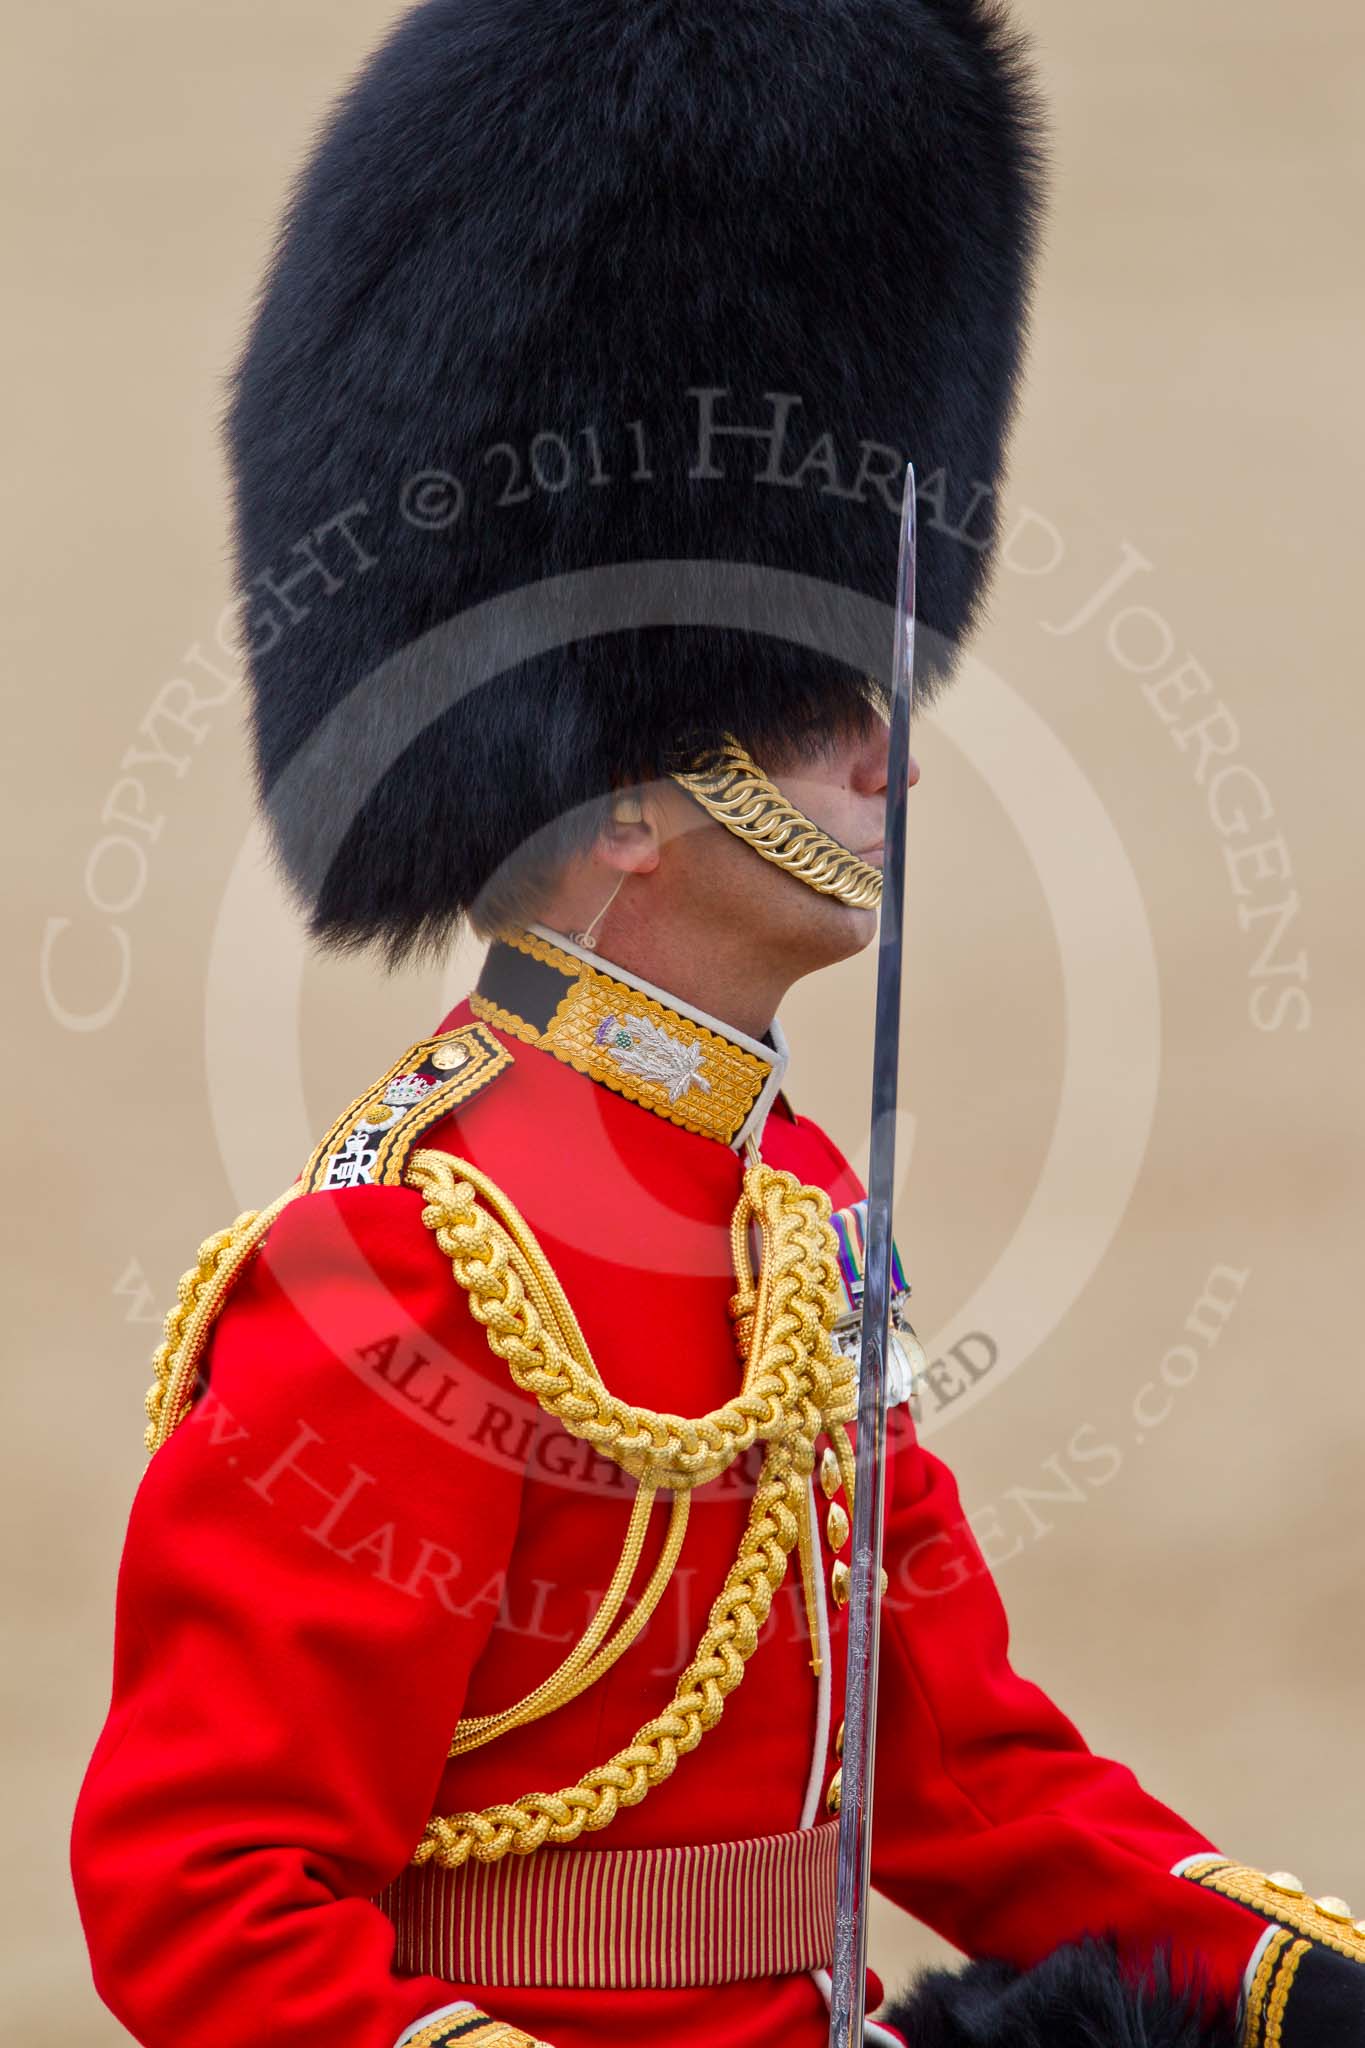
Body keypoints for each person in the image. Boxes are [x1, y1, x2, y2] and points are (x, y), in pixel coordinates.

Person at [70, 4, 1363, 2045]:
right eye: (815, 692)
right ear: (627, 790)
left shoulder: (791, 1232)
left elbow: (974, 1790)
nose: (888, 755)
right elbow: (208, 1896)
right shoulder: (400, 1279)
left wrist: (1304, 1981)